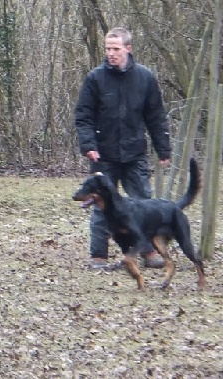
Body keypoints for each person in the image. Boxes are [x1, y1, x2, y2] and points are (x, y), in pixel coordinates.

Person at [74, 27, 170, 270]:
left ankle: (147, 252)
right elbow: (83, 116)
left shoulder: (145, 78)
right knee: (100, 207)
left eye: (116, 49)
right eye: (108, 49)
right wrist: (89, 146)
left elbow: (156, 117)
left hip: (134, 152)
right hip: (102, 154)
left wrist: (163, 149)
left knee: (143, 204)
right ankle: (98, 256)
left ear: (128, 48)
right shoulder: (95, 78)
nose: (111, 53)